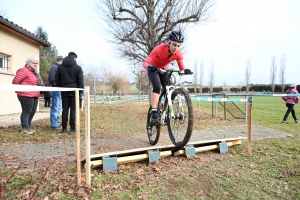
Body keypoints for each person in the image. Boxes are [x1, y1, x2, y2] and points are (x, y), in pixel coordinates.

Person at [142, 30, 191, 122]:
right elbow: (144, 63)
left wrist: (185, 70)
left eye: (178, 45)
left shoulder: (178, 54)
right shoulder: (159, 49)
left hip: (164, 70)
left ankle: (166, 110)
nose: (175, 47)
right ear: (169, 42)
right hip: (154, 69)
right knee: (157, 86)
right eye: (174, 44)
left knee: (170, 89)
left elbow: (181, 67)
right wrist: (150, 67)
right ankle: (154, 112)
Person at [12, 56, 44, 135]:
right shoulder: (23, 70)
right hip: (25, 94)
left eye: (36, 63)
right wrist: (20, 91)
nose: (35, 64)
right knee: (27, 111)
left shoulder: (35, 72)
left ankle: (28, 127)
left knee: (32, 112)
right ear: (28, 63)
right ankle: (25, 129)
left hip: (35, 94)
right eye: (33, 63)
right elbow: (15, 82)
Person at [55, 52, 84, 133]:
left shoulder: (60, 67)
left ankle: (64, 128)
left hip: (64, 90)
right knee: (73, 109)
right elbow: (80, 81)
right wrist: (80, 90)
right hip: (74, 91)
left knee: (65, 109)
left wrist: (59, 87)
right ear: (74, 58)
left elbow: (57, 78)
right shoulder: (78, 68)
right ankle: (73, 128)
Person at [48, 56, 64, 130]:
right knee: (56, 107)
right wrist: (57, 86)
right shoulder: (54, 67)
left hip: (59, 89)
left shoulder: (58, 68)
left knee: (58, 107)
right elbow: (51, 78)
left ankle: (56, 122)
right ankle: (54, 124)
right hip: (56, 89)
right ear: (59, 61)